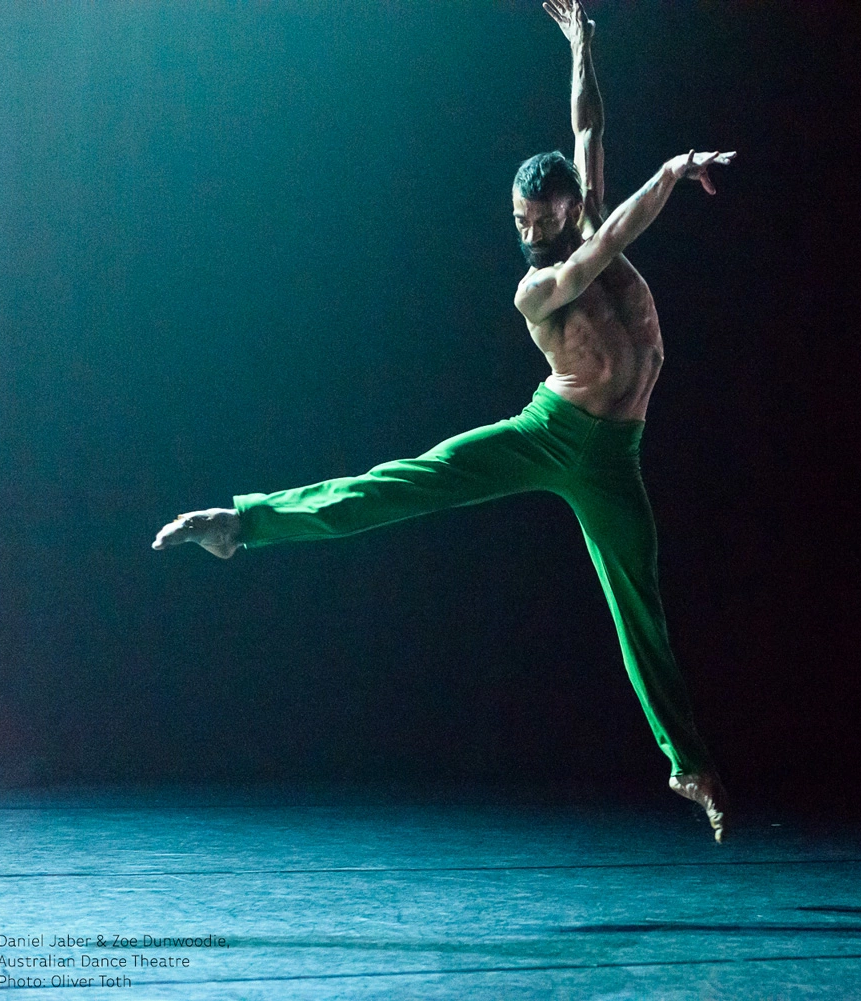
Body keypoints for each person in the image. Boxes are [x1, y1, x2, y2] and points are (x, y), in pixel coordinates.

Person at [152, 0, 734, 841]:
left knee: (639, 605)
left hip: (615, 456)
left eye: (542, 219)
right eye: (518, 222)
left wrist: (582, 43)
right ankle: (240, 523)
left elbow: (589, 126)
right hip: (551, 433)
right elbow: (610, 240)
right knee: (402, 486)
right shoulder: (540, 285)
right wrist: (676, 169)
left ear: (571, 207)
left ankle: (689, 764)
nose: (528, 233)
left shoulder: (583, 214)